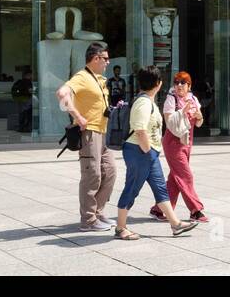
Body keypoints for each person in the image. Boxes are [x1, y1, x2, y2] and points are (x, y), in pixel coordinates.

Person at [113, 67, 198, 239]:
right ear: (158, 84)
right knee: (132, 188)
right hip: (140, 151)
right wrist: (147, 150)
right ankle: (120, 228)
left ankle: (175, 224)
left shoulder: (148, 101)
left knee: (160, 188)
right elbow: (140, 129)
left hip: (148, 151)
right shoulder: (144, 103)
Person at [56, 43, 116, 231]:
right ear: (96, 58)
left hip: (101, 132)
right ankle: (88, 220)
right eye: (105, 58)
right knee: (93, 176)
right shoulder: (82, 77)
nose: (108, 62)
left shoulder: (98, 78)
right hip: (89, 133)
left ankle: (97, 212)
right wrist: (77, 116)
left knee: (110, 172)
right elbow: (61, 93)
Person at [159, 71, 209, 223]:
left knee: (175, 178)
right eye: (176, 82)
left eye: (183, 82)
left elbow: (199, 123)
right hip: (173, 143)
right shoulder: (171, 99)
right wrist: (183, 111)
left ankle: (159, 210)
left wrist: (199, 116)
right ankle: (195, 210)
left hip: (187, 142)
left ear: (189, 85)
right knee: (186, 175)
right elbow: (169, 123)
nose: (179, 85)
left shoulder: (193, 99)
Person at [12, 66, 34, 133]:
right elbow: (30, 91)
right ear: (28, 75)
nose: (32, 76)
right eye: (31, 75)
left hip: (19, 99)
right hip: (27, 99)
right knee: (27, 113)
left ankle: (21, 127)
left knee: (21, 113)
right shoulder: (28, 82)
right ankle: (26, 127)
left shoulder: (20, 81)